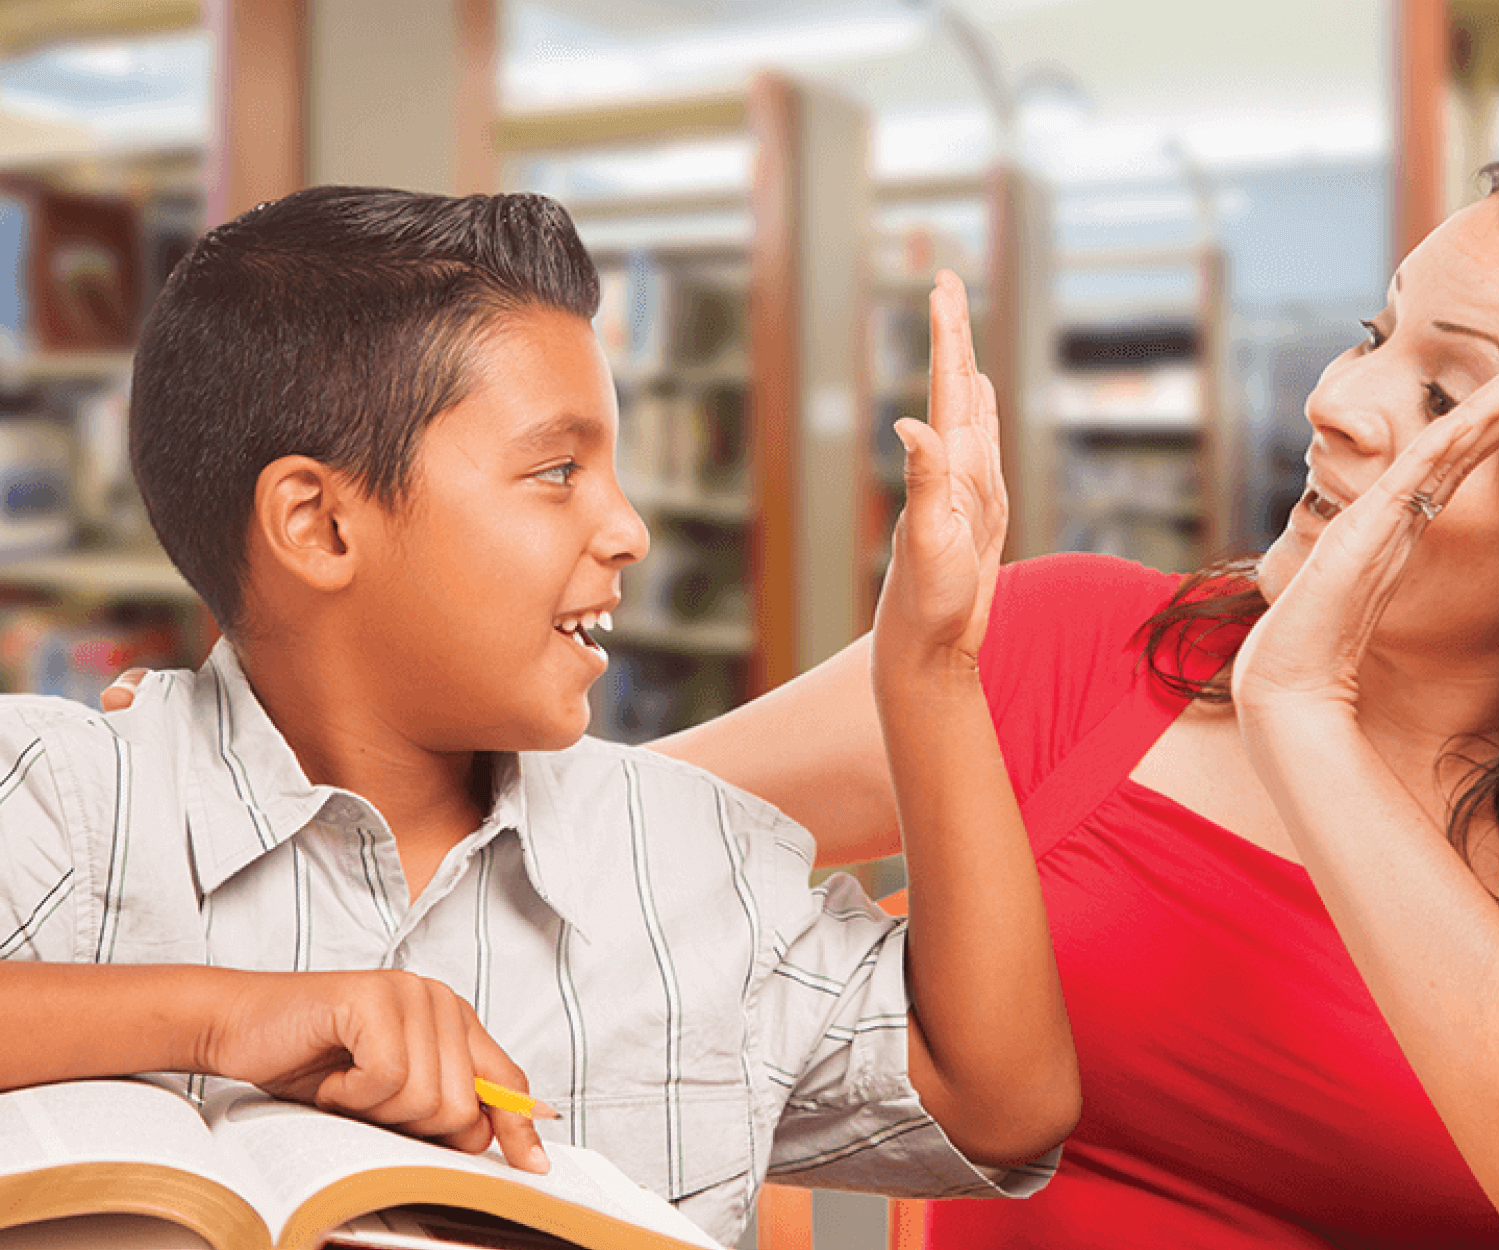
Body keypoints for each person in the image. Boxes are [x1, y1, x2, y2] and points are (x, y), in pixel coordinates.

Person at [602, 160, 1499, 1249]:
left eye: (1443, 397)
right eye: (1370, 331)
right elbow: (566, 840)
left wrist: (1300, 710)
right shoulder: (1065, 648)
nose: (1331, 400)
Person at [0, 186, 1077, 1247]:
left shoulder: (696, 859)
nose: (628, 529)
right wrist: (222, 1015)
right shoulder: (65, 800)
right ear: (319, 525)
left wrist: (930, 666)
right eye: (557, 471)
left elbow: (998, 1100)